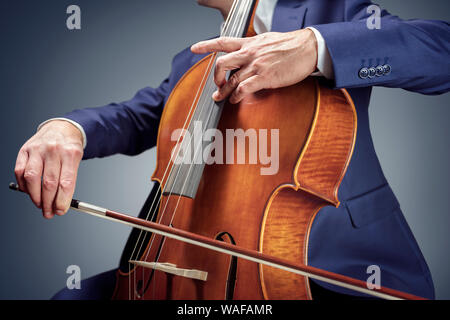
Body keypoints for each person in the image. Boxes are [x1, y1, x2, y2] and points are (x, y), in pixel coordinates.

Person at [14, 0, 450, 300]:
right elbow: (133, 117)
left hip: (338, 274)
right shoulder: (196, 61)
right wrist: (65, 128)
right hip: (196, 269)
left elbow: (441, 49)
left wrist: (317, 45)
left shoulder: (334, 10)